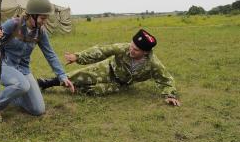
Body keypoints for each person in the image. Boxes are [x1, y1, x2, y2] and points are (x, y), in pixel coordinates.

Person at [0, 0, 75, 123]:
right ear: (32, 15)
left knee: (38, 110)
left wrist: (62, 76)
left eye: (46, 18)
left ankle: (14, 95)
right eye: (42, 18)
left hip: (23, 70)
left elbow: (50, 55)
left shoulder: (40, 33)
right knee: (22, 85)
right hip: (4, 66)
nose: (44, 22)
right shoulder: (13, 24)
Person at [38, 29, 181, 106]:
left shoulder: (153, 64)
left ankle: (77, 87)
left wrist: (169, 95)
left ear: (146, 52)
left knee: (94, 91)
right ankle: (47, 83)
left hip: (119, 84)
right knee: (80, 75)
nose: (131, 50)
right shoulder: (123, 48)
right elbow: (101, 51)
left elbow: (166, 79)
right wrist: (78, 57)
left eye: (136, 50)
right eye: (131, 46)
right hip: (108, 68)